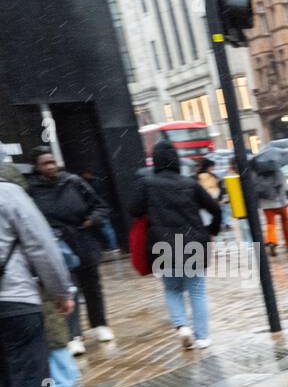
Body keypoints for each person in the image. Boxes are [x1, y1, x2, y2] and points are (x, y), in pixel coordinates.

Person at [0, 164, 76, 387]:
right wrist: (61, 291)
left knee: (4, 384)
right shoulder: (9, 194)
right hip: (16, 302)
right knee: (33, 382)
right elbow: (41, 246)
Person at [129, 142, 223, 349]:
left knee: (172, 289)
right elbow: (215, 208)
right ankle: (202, 337)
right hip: (193, 242)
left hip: (163, 244)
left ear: (156, 161)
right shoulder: (190, 183)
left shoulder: (147, 184)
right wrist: (212, 229)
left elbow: (133, 210)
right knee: (197, 292)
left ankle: (182, 326)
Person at [29, 151, 113, 345]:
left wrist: (91, 221)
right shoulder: (32, 190)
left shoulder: (73, 182)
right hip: (57, 245)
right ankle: (74, 335)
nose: (50, 166)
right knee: (67, 290)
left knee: (92, 287)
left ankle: (100, 325)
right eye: (45, 163)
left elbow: (100, 207)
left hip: (83, 240)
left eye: (52, 162)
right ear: (37, 167)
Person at [253, 157, 288, 255]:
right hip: (280, 201)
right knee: (285, 221)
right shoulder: (276, 170)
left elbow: (255, 186)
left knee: (270, 224)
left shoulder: (257, 172)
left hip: (266, 204)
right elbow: (283, 185)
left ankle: (271, 241)